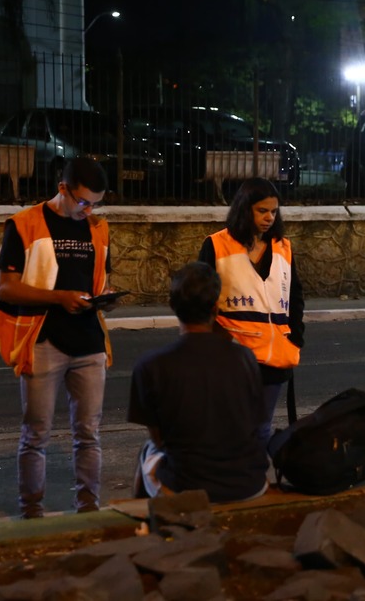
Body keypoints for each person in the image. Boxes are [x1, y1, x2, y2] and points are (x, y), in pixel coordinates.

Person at [0, 156, 116, 518]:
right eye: (82, 202)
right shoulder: (24, 224)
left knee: (89, 434)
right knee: (36, 436)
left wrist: (104, 298)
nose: (88, 210)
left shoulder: (98, 228)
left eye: (95, 203)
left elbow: (99, 279)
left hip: (90, 342)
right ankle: (31, 512)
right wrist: (58, 298)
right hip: (42, 341)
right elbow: (5, 288)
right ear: (62, 188)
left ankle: (89, 510)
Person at [127, 262, 269, 502]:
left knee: (147, 452)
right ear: (215, 308)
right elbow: (255, 424)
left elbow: (159, 439)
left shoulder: (150, 365)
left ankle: (150, 529)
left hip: (188, 487)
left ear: (173, 306)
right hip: (249, 484)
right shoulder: (245, 358)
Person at [198, 177, 304, 446]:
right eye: (262, 211)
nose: (269, 217)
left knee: (261, 429)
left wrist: (295, 337)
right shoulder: (216, 245)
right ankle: (231, 484)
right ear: (244, 209)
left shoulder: (283, 248)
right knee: (230, 429)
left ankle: (255, 485)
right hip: (233, 357)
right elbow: (202, 301)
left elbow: (295, 298)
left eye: (274, 211)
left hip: (274, 357)